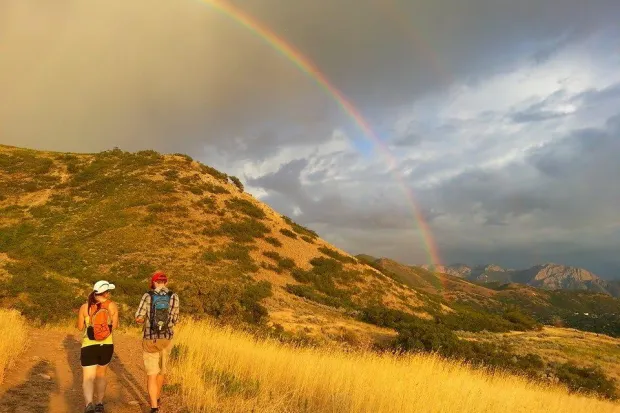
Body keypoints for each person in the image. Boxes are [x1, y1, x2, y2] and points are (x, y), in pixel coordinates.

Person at [135, 271, 180, 413]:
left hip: (150, 338)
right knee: (161, 371)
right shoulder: (173, 296)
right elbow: (176, 320)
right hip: (166, 339)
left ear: (153, 282)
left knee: (152, 374)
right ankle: (158, 396)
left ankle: (154, 407)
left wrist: (145, 320)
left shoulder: (147, 296)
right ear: (165, 282)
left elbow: (139, 317)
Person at [77, 280, 119, 413]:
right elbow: (115, 326)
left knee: (88, 376)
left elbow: (79, 327)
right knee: (101, 375)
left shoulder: (85, 307)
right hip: (106, 345)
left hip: (89, 345)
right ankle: (100, 403)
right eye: (108, 291)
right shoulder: (112, 305)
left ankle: (89, 404)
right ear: (105, 293)